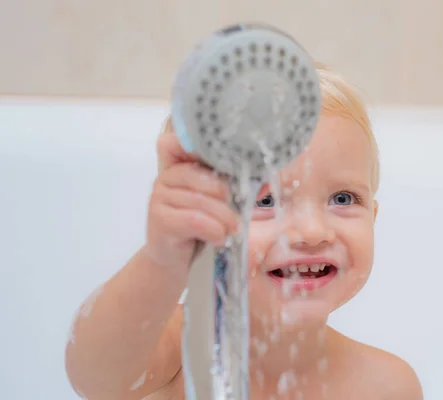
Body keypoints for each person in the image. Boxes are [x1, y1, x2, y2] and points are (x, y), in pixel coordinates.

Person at [65, 62, 423, 400]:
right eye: (265, 201)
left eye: (343, 198)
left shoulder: (385, 385)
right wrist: (163, 259)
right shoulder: (184, 349)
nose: (313, 231)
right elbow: (98, 377)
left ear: (373, 216)